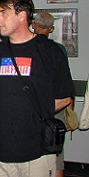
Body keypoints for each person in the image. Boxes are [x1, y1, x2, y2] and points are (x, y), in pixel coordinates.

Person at [0, 0, 74, 177]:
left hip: (37, 151)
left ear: (22, 15)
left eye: (3, 13)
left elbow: (64, 98)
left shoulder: (50, 52)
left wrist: (30, 115)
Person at [32, 11, 75, 177]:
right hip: (57, 107)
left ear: (33, 25)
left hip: (36, 106)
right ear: (50, 29)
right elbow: (66, 82)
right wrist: (69, 109)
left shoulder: (26, 48)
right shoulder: (59, 50)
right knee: (56, 152)